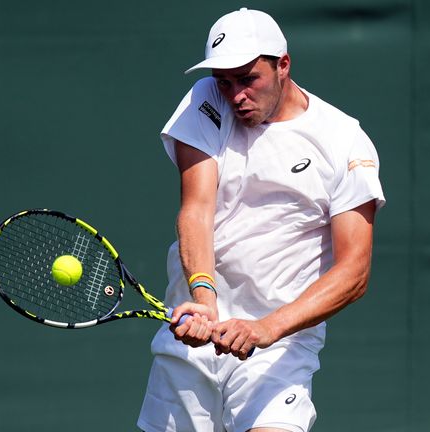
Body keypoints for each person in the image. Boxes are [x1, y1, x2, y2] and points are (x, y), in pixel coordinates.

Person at [137, 7, 385, 432]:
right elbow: (197, 206)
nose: (235, 95)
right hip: (194, 341)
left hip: (277, 349)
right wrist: (204, 297)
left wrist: (265, 329)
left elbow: (354, 271)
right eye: (224, 81)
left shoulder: (344, 140)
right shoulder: (206, 100)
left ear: (283, 65)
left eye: (248, 78)